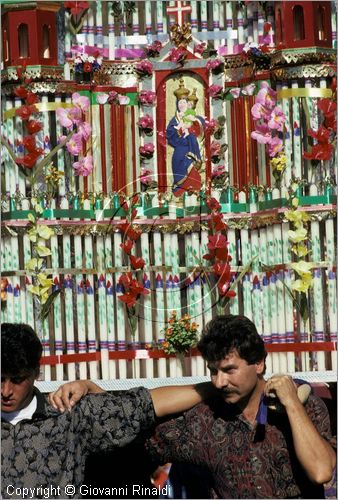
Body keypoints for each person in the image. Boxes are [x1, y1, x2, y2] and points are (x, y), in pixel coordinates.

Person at [1, 323, 214, 499]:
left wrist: (218, 387)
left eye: (17, 379)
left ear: (36, 372)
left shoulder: (66, 415)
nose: (6, 391)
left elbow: (148, 403)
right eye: (0, 379)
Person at [143, 315, 336, 498]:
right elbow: (141, 423)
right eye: (213, 371)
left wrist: (292, 404)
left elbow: (321, 472)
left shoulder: (306, 407)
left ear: (258, 363)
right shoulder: (202, 418)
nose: (219, 382)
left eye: (229, 370)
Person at [166, 79, 203, 196]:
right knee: (179, 173)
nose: (181, 105)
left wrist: (193, 125)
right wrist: (179, 131)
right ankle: (179, 194)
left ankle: (194, 195)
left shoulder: (193, 117)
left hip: (191, 149)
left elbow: (200, 129)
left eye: (184, 102)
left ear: (188, 104)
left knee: (192, 172)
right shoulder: (174, 120)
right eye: (179, 103)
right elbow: (170, 135)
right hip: (179, 151)